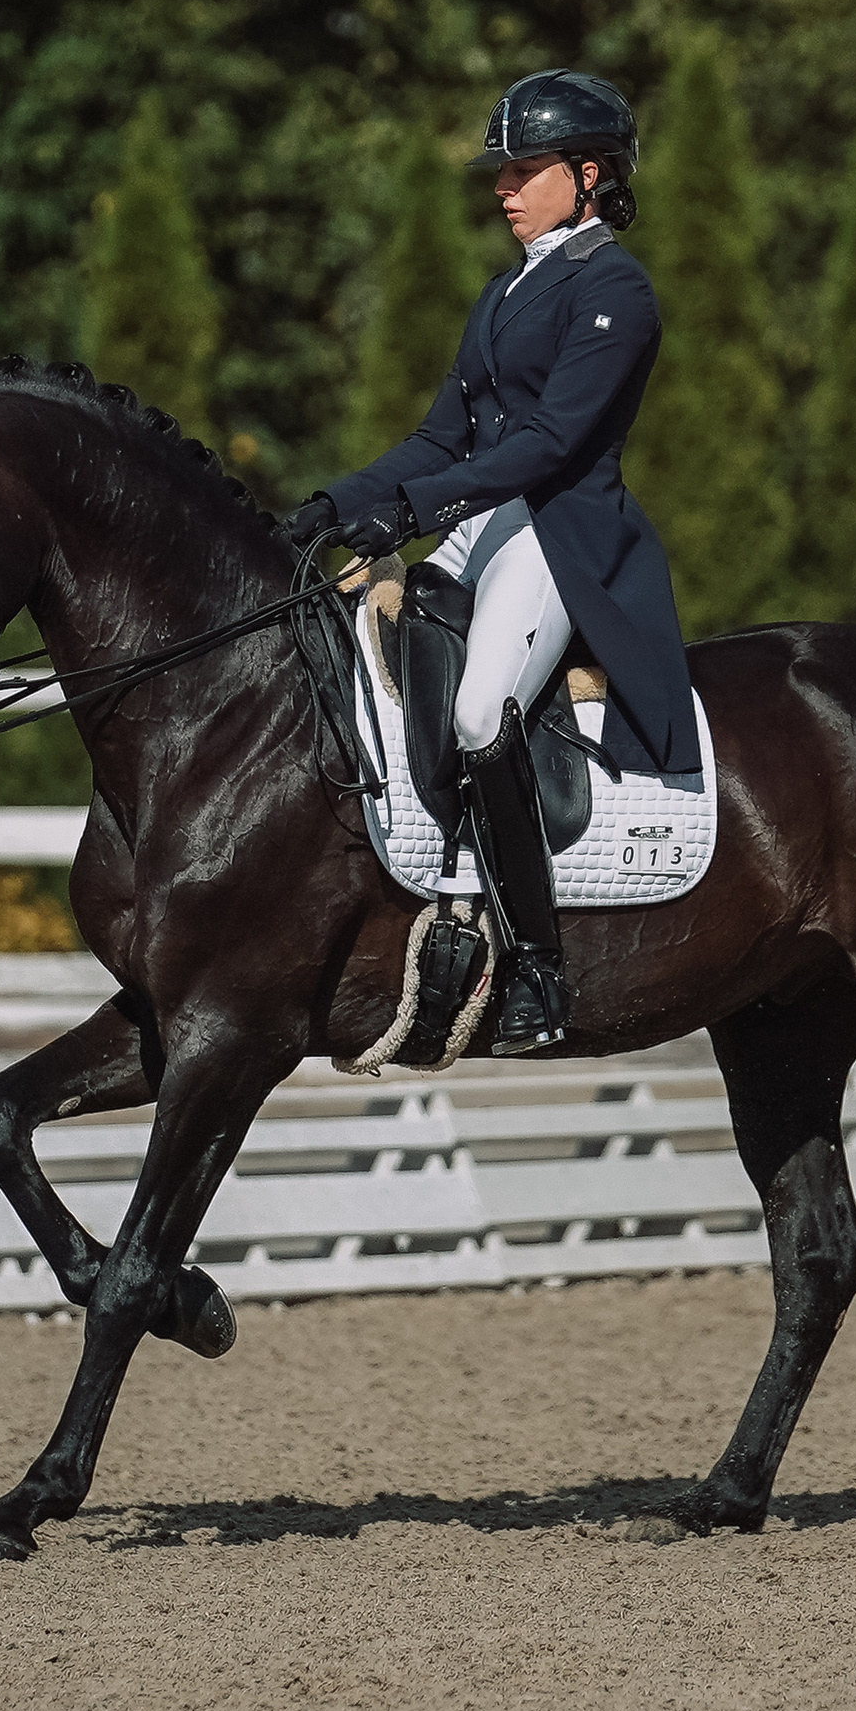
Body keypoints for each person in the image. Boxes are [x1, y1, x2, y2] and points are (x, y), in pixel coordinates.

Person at [280, 71, 696, 1056]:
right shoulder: (504, 290)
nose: (502, 187)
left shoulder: (613, 288)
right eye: (499, 171)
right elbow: (439, 439)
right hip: (483, 522)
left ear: (589, 175)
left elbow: (551, 444)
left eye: (525, 169)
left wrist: (414, 513)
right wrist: (333, 506)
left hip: (560, 532)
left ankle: (540, 970)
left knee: (478, 713)